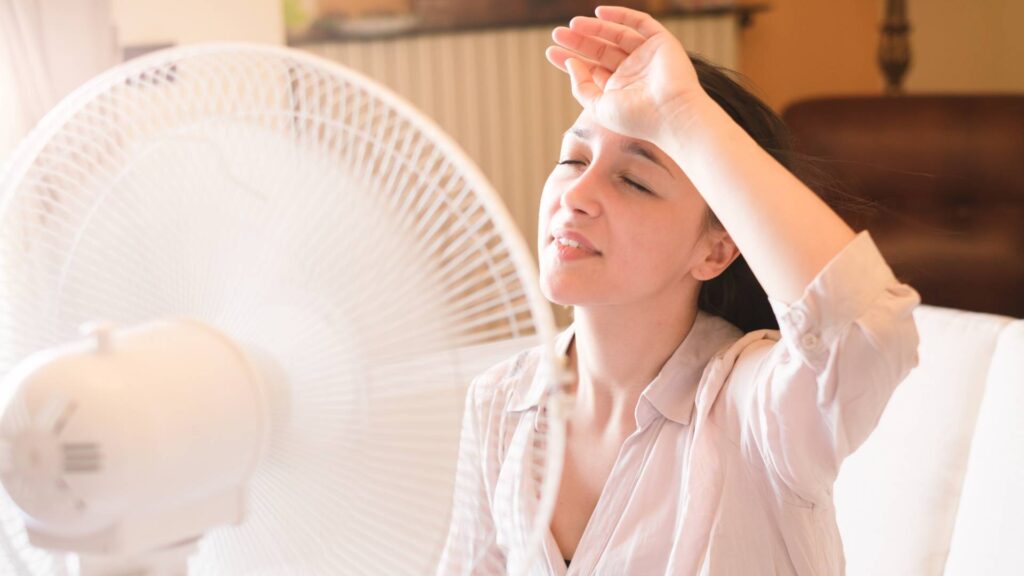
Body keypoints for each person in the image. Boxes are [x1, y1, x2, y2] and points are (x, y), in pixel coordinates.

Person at [437, 5, 920, 575]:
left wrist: (681, 112)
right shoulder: (499, 402)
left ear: (715, 250)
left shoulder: (754, 413)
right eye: (574, 158)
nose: (576, 194)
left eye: (634, 180)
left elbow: (865, 331)